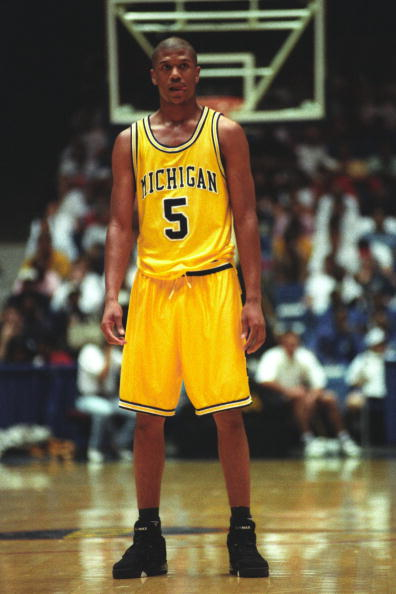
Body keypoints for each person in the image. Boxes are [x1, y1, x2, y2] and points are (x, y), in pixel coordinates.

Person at [101, 36, 269, 579]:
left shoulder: (226, 133)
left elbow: (245, 217)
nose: (175, 74)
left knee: (228, 416)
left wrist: (255, 298)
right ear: (153, 76)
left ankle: (241, 533)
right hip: (153, 286)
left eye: (184, 66)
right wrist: (111, 294)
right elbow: (121, 224)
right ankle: (147, 536)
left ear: (198, 73)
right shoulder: (130, 141)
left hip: (214, 284)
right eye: (165, 67)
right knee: (147, 420)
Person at [255, 330, 360, 457]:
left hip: (304, 395)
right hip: (276, 398)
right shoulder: (272, 356)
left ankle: (344, 438)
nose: (292, 347)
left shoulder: (304, 355)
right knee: (299, 396)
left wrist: (313, 395)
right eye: (289, 344)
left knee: (329, 398)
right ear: (282, 343)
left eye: (295, 344)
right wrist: (288, 391)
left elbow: (319, 380)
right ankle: (308, 439)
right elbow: (264, 380)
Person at [345, 327, 388, 446]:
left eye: (382, 343)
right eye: (377, 344)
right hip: (368, 396)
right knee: (352, 401)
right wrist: (360, 380)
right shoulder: (362, 359)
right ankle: (354, 439)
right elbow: (351, 379)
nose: (380, 346)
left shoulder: (390, 357)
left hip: (389, 397)